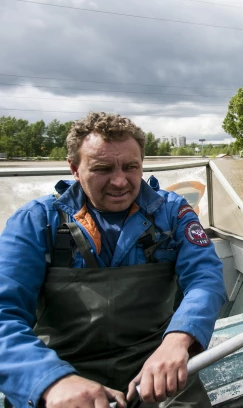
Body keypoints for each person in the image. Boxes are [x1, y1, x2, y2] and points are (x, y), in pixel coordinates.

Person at [0, 112, 226, 407]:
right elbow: (5, 312)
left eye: (131, 167)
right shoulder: (36, 221)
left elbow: (205, 276)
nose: (120, 181)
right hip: (60, 371)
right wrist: (51, 380)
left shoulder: (171, 212)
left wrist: (178, 340)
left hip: (158, 362)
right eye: (103, 168)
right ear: (74, 169)